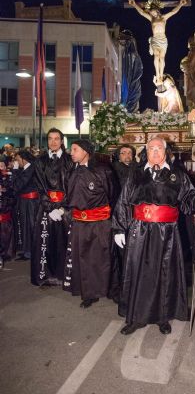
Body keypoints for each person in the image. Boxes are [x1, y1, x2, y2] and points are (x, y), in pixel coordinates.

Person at [112, 136, 195, 335]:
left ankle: (163, 317)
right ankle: (135, 317)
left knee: (166, 274)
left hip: (167, 232)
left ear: (165, 152)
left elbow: (188, 203)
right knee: (139, 273)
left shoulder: (177, 175)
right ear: (146, 152)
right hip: (140, 231)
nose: (154, 152)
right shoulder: (136, 174)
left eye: (158, 149)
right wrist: (119, 228)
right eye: (150, 149)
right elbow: (123, 201)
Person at [63, 140, 118, 308]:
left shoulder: (103, 170)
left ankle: (110, 289)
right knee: (83, 259)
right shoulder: (71, 171)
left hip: (100, 223)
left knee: (103, 258)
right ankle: (89, 293)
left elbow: (113, 195)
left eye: (75, 149)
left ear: (86, 151)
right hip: (79, 223)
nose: (71, 152)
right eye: (71, 149)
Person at [31, 128, 73, 286]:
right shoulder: (40, 161)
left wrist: (62, 208)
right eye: (50, 138)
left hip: (65, 208)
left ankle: (65, 276)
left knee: (65, 242)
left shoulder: (70, 161)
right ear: (47, 141)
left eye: (57, 138)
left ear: (62, 141)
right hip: (46, 207)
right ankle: (46, 276)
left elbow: (73, 187)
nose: (53, 142)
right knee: (45, 242)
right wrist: (49, 207)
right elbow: (39, 187)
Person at [128, 0, 187, 85]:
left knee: (162, 58)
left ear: (157, 10)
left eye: (152, 12)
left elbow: (173, 12)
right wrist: (134, 4)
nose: (151, 13)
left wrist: (181, 4)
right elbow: (141, 12)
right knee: (156, 56)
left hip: (163, 40)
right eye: (151, 12)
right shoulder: (151, 19)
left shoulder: (164, 18)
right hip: (155, 40)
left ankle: (161, 74)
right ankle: (158, 74)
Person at [11, 150, 39, 260]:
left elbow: (18, 185)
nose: (17, 162)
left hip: (30, 202)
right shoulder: (28, 169)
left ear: (24, 159)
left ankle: (30, 252)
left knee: (29, 226)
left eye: (18, 160)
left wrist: (15, 170)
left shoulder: (30, 169)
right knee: (25, 226)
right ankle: (27, 251)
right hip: (26, 202)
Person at [0, 156, 14, 269]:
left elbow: (13, 194)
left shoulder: (10, 178)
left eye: (2, 165)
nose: (1, 168)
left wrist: (4, 191)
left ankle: (5, 254)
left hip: (5, 210)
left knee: (5, 235)